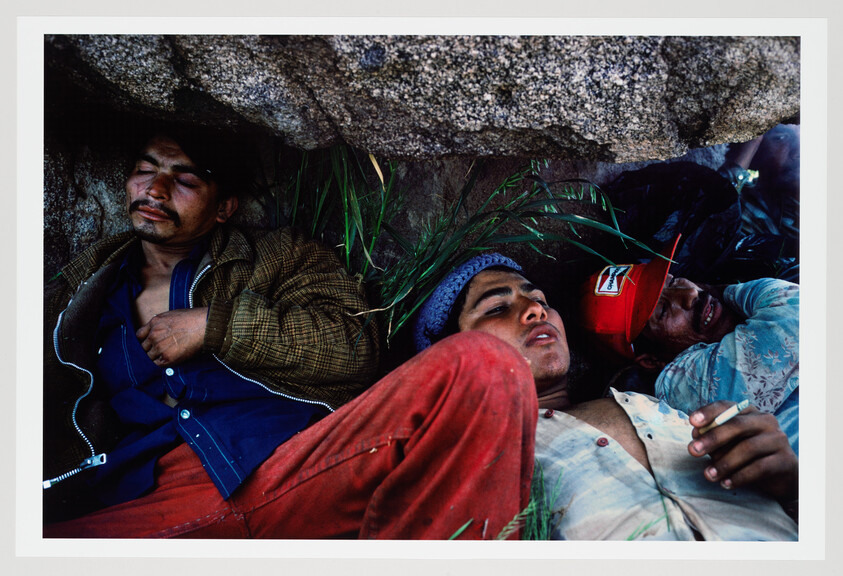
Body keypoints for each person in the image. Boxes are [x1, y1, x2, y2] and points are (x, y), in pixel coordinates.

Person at [42, 130, 537, 539]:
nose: (155, 189)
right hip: (149, 497)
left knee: (484, 361)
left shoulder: (282, 256)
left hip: (295, 460)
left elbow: (355, 348)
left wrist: (220, 325)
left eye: (185, 178)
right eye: (145, 170)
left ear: (224, 208)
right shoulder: (77, 293)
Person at [413, 253, 798, 540]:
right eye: (497, 307)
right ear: (451, 355)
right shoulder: (480, 461)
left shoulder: (663, 410)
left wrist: (790, 485)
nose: (535, 310)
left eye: (542, 301)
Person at [578, 235, 799, 456]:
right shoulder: (688, 384)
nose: (691, 293)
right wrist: (727, 293)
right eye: (663, 310)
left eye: (673, 282)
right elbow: (798, 316)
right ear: (650, 360)